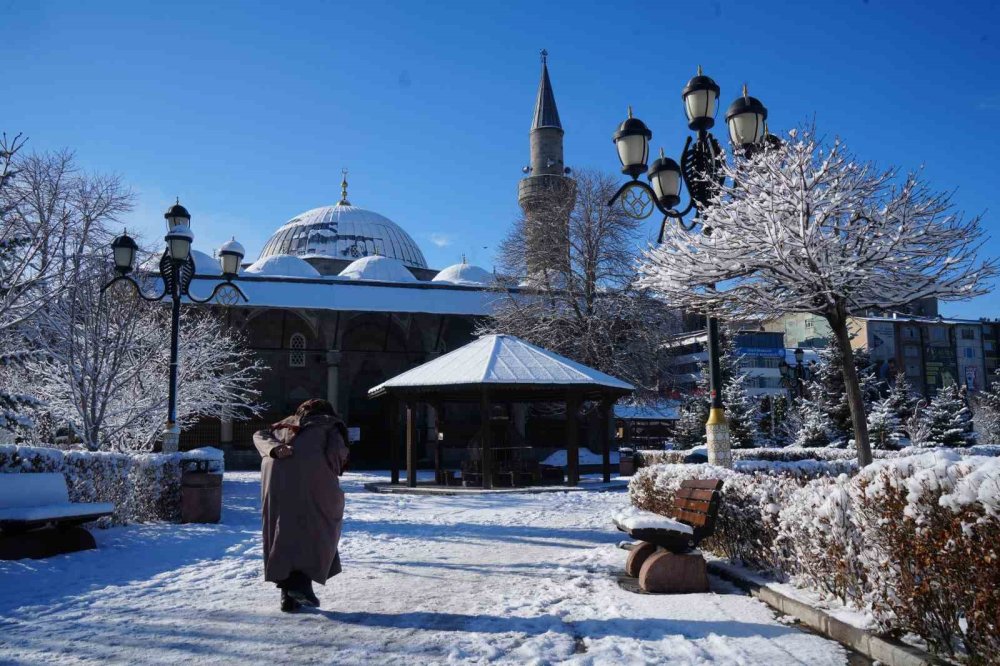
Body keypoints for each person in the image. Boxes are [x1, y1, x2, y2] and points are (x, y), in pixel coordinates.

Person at [254, 398, 349, 612]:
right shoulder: (330, 425)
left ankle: (288, 597)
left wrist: (275, 449)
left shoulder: (281, 425)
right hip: (313, 485)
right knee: (317, 530)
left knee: (282, 531)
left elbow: (258, 435)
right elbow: (336, 457)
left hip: (276, 486)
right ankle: (301, 586)